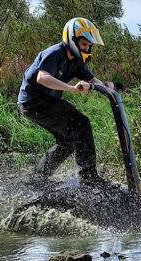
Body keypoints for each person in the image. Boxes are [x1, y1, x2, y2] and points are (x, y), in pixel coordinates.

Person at [18, 17, 114, 187]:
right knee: (81, 124)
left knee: (68, 141)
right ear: (72, 40)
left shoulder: (77, 61)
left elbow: (92, 80)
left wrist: (107, 87)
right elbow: (42, 77)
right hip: (34, 101)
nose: (87, 49)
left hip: (45, 102)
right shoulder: (54, 53)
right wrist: (73, 88)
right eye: (84, 44)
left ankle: (37, 179)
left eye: (89, 46)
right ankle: (88, 177)